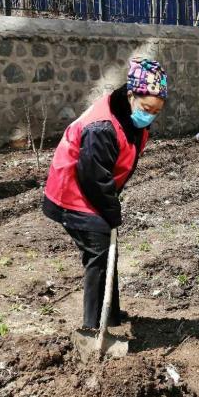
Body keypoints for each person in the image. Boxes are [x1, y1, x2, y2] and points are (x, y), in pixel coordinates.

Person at [42, 58, 168, 328]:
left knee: (108, 250)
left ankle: (108, 314)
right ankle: (93, 327)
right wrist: (112, 212)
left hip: (90, 190)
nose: (150, 116)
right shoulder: (102, 127)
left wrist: (111, 209)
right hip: (72, 193)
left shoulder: (130, 117)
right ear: (131, 95)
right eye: (147, 109)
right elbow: (93, 178)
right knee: (99, 253)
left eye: (157, 111)